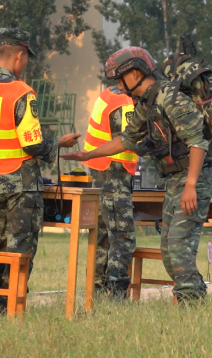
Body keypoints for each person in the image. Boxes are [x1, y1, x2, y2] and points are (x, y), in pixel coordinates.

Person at [60, 47, 212, 302]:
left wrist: (191, 184)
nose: (117, 85)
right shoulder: (148, 102)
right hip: (175, 178)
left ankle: (192, 302)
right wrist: (88, 155)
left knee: (178, 246)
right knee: (169, 249)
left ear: (134, 73)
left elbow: (198, 142)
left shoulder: (170, 98)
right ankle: (194, 296)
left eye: (119, 78)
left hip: (195, 175)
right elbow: (126, 139)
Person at [0, 28, 79, 313]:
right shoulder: (21, 92)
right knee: (20, 250)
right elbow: (32, 144)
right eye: (25, 60)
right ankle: (9, 309)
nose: (25, 65)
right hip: (20, 185)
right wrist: (58, 143)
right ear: (20, 55)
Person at [81, 86, 137, 299]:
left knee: (103, 235)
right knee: (122, 236)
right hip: (113, 172)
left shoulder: (109, 95)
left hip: (102, 171)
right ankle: (115, 294)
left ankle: (96, 291)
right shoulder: (124, 104)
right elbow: (127, 141)